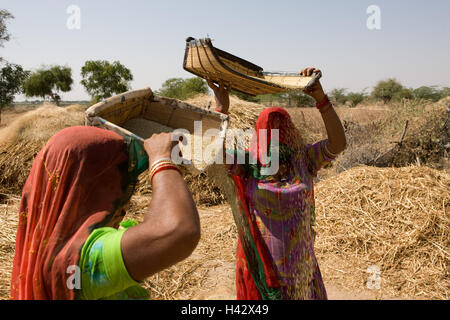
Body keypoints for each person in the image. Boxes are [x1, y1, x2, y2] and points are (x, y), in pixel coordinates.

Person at [10, 126, 200, 299]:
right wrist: (161, 160)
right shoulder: (80, 262)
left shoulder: (54, 243)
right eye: (120, 171)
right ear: (88, 183)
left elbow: (156, 228)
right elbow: (179, 231)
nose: (131, 184)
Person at [207, 67, 346, 300]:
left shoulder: (304, 160)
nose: (276, 135)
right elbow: (211, 154)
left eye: (282, 128)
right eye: (270, 130)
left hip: (302, 268)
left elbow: (338, 143)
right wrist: (220, 109)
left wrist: (321, 99)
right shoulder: (250, 164)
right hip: (265, 268)